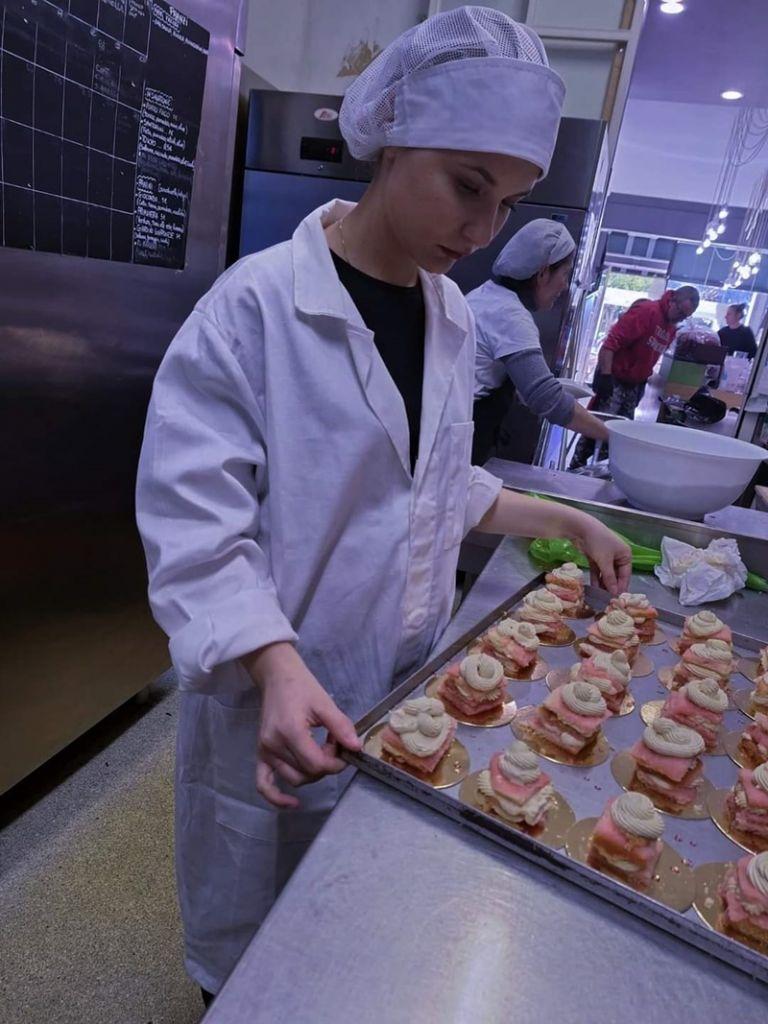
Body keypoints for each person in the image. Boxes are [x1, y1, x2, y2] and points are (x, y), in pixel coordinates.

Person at [135, 7, 632, 1004]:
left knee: (362, 940)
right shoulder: (253, 308)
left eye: (508, 203)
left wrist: (569, 519)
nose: (483, 230)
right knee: (252, 957)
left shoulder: (451, 316)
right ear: (394, 136)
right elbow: (196, 531)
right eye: (467, 185)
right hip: (274, 699)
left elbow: (432, 483)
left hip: (407, 698)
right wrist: (275, 665)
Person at [468, 218, 609, 464]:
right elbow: (546, 398)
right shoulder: (510, 315)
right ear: (543, 273)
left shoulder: (487, 295)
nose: (565, 286)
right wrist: (611, 436)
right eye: (565, 274)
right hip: (460, 434)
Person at [569, 284, 700, 469]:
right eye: (680, 312)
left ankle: (601, 472)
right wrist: (605, 375)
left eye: (685, 316)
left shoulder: (671, 328)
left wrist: (641, 383)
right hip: (615, 378)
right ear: (672, 300)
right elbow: (611, 343)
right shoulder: (646, 311)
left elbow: (649, 358)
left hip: (634, 385)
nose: (680, 318)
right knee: (597, 429)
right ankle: (575, 468)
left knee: (620, 436)